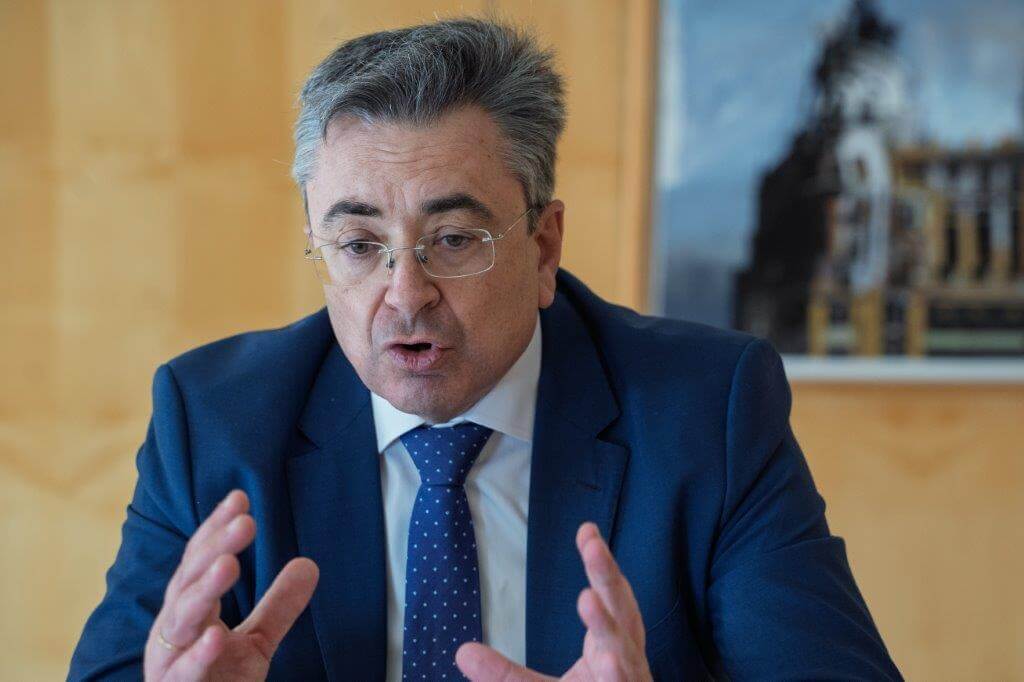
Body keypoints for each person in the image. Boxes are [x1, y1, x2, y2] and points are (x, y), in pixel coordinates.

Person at [68, 18, 900, 682]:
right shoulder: (214, 420)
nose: (405, 294)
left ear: (543, 247)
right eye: (359, 245)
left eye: (455, 239)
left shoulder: (706, 411)